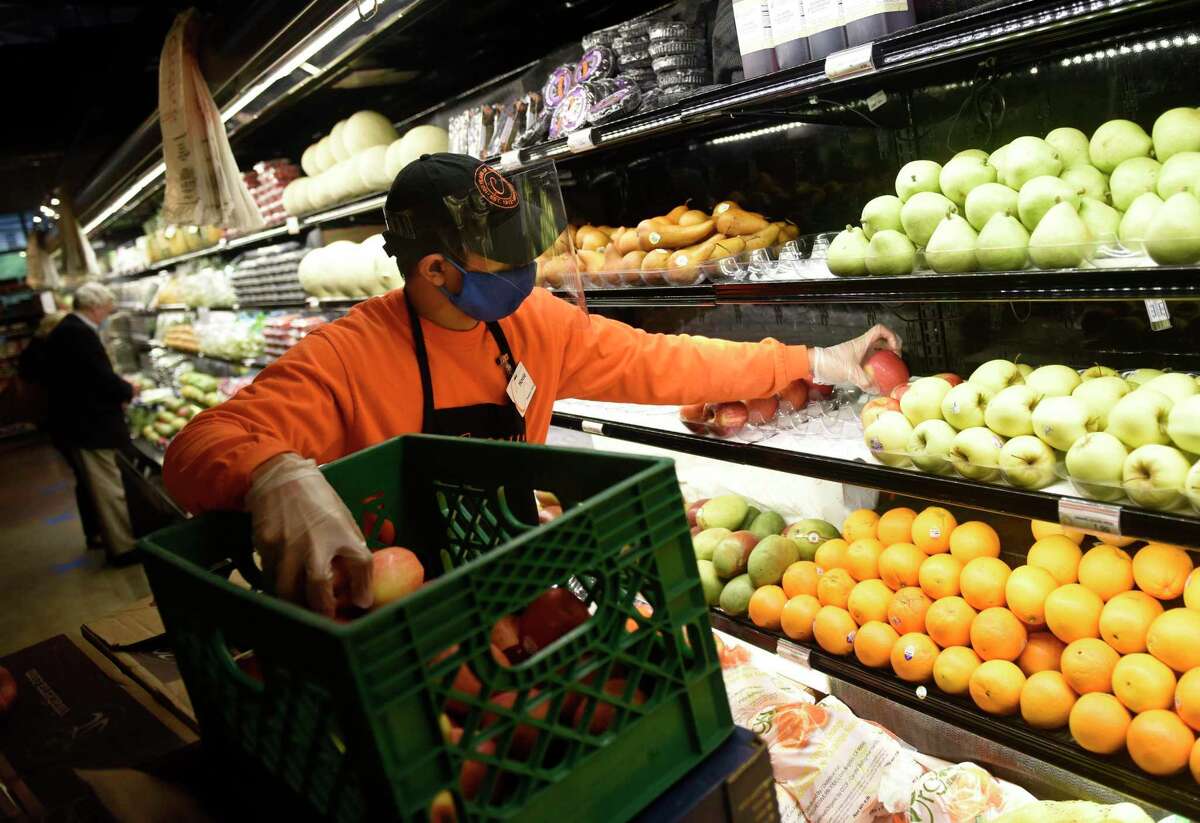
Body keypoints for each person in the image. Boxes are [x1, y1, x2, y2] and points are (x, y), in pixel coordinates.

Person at [163, 154, 901, 615]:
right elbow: (196, 447)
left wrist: (812, 360)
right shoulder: (346, 357)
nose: (526, 275)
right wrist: (272, 473)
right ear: (434, 271)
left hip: (511, 592)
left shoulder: (531, 325)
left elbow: (664, 361)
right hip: (397, 616)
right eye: (503, 263)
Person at [41, 282, 138, 564]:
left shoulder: (68, 329)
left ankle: (100, 535)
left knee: (95, 485)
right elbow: (98, 377)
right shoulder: (78, 333)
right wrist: (127, 390)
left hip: (77, 423)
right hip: (90, 426)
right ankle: (123, 548)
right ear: (95, 307)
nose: (108, 313)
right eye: (107, 308)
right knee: (108, 488)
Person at [17, 311, 105, 549]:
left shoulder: (37, 351)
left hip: (56, 423)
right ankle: (97, 531)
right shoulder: (47, 353)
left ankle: (95, 530)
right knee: (87, 478)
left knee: (83, 477)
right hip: (65, 423)